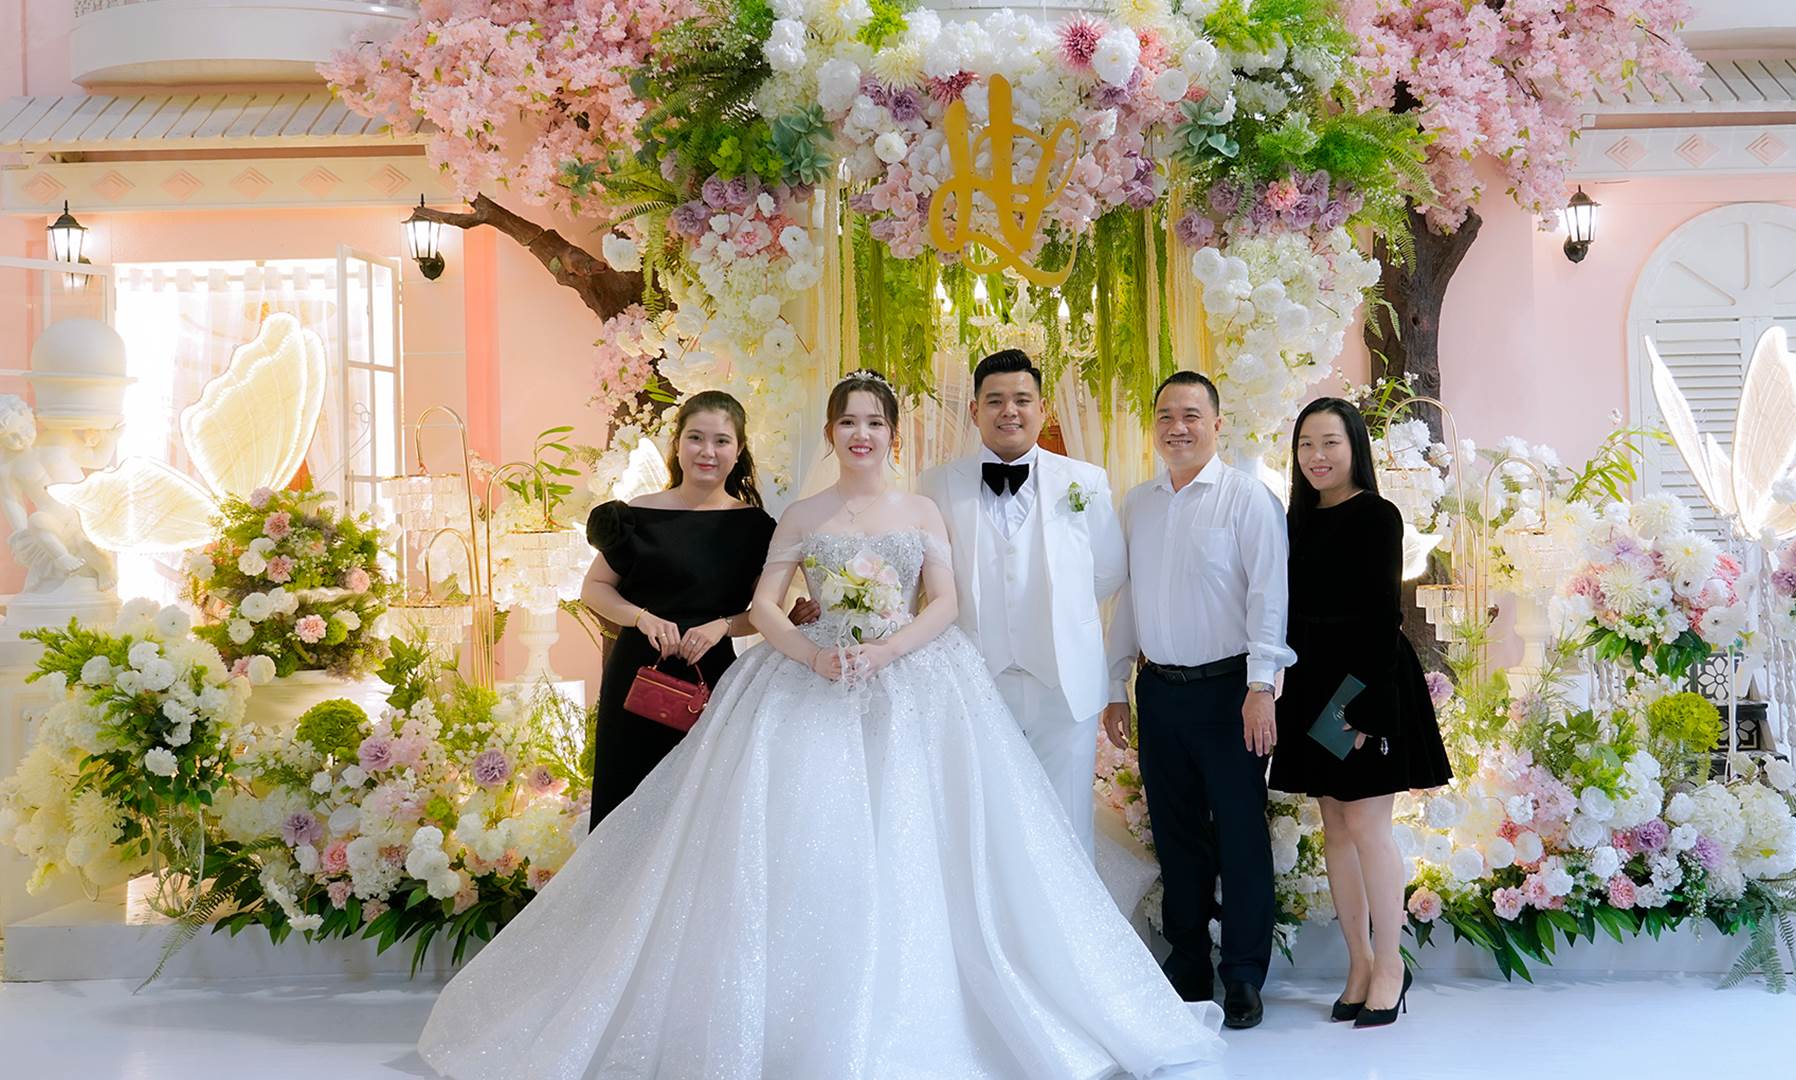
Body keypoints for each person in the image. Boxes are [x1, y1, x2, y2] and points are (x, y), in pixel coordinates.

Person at [418, 370, 1225, 1080]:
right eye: (848, 421)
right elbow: (766, 605)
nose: (860, 434)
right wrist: (810, 655)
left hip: (913, 679)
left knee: (926, 839)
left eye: (874, 422)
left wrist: (890, 649)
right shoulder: (802, 514)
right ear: (832, 433)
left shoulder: (921, 507)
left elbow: (945, 601)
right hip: (812, 677)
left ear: (893, 435)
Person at [1102, 370, 1290, 1031]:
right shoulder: (1139, 503)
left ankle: (1242, 974)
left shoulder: (1248, 500)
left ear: (1216, 424)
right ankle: (1187, 964)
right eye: (1165, 416)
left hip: (1231, 692)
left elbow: (1269, 597)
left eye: (1190, 415)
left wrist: (1261, 687)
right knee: (1175, 834)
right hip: (1159, 691)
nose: (1177, 427)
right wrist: (1116, 685)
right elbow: (1130, 599)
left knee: (1240, 834)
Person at [1268, 396, 1453, 1029]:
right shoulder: (1294, 521)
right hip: (1309, 681)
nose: (1316, 456)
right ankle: (1358, 962)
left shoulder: (1378, 515)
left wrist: (1362, 710)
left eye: (1330, 443)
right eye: (1306, 444)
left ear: (1354, 449)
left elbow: (1382, 616)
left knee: (1370, 827)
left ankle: (1392, 967)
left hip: (1365, 681)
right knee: (1336, 828)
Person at [919, 349, 1125, 855]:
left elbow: (1109, 569)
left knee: (1068, 822)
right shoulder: (937, 484)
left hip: (1063, 682)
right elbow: (924, 574)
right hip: (975, 677)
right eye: (995, 401)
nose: (1008, 411)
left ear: (1043, 408)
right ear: (975, 411)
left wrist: (1058, 611)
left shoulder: (1085, 480)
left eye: (1021, 399)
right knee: (986, 821)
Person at [578, 390, 815, 828]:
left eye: (721, 441)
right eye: (696, 438)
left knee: (700, 809)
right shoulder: (636, 514)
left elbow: (762, 612)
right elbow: (593, 588)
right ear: (678, 444)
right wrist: (641, 617)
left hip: (712, 680)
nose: (708, 451)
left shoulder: (756, 527)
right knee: (625, 802)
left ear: (738, 451)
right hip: (635, 678)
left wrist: (721, 626)